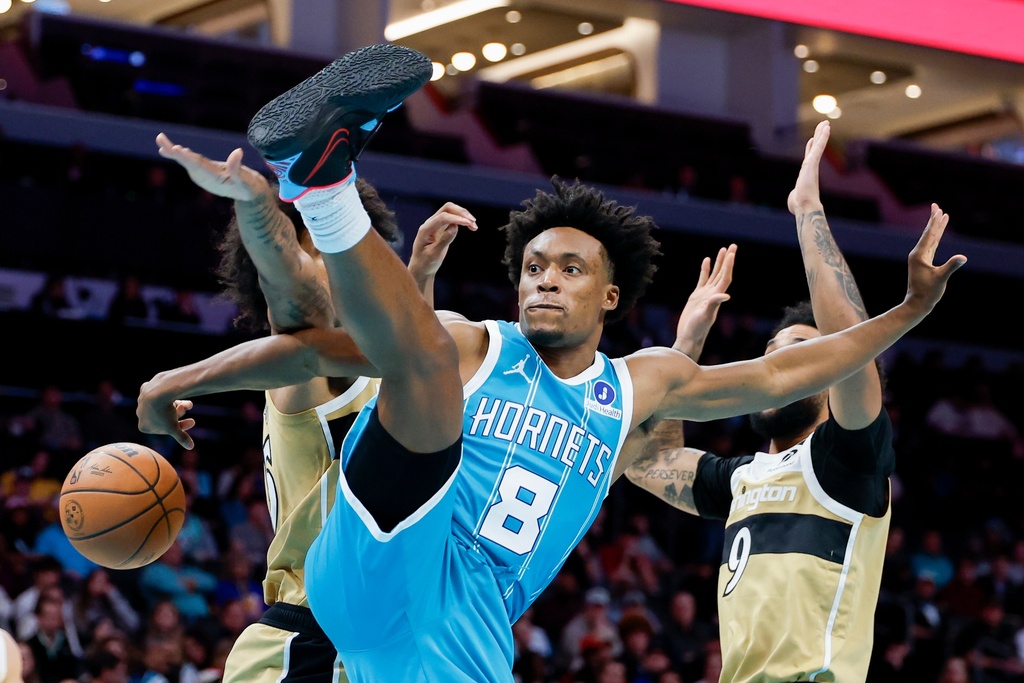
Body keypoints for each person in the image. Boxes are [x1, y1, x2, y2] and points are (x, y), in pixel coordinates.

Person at [137, 46, 964, 682]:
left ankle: (321, 179)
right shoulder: (478, 343)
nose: (544, 279)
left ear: (610, 295)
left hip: (468, 632)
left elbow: (789, 375)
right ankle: (324, 182)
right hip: (388, 555)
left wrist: (907, 312)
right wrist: (177, 379)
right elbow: (315, 342)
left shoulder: (637, 383)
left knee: (418, 353)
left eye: (568, 268)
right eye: (532, 265)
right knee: (421, 352)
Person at [147, 99, 475, 683]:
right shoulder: (310, 366)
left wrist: (418, 277)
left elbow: (410, 374)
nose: (344, 259)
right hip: (312, 644)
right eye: (322, 241)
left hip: (385, 639)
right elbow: (292, 287)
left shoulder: (365, 361)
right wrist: (254, 202)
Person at [623, 119, 913, 681]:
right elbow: (644, 462)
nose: (779, 367)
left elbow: (849, 346)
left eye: (801, 357)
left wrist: (807, 212)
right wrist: (686, 347)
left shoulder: (846, 463)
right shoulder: (740, 480)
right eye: (773, 355)